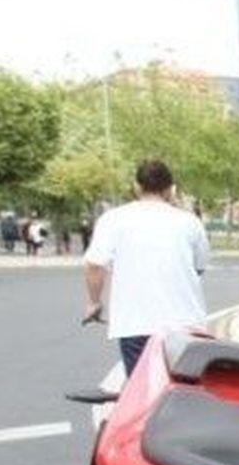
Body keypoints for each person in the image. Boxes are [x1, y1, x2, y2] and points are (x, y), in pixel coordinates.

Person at [83, 159, 210, 376]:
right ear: (171, 189)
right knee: (185, 393)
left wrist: (94, 303)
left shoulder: (113, 219)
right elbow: (199, 267)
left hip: (136, 325)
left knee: (142, 392)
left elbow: (94, 264)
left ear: (137, 186)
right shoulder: (190, 222)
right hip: (184, 324)